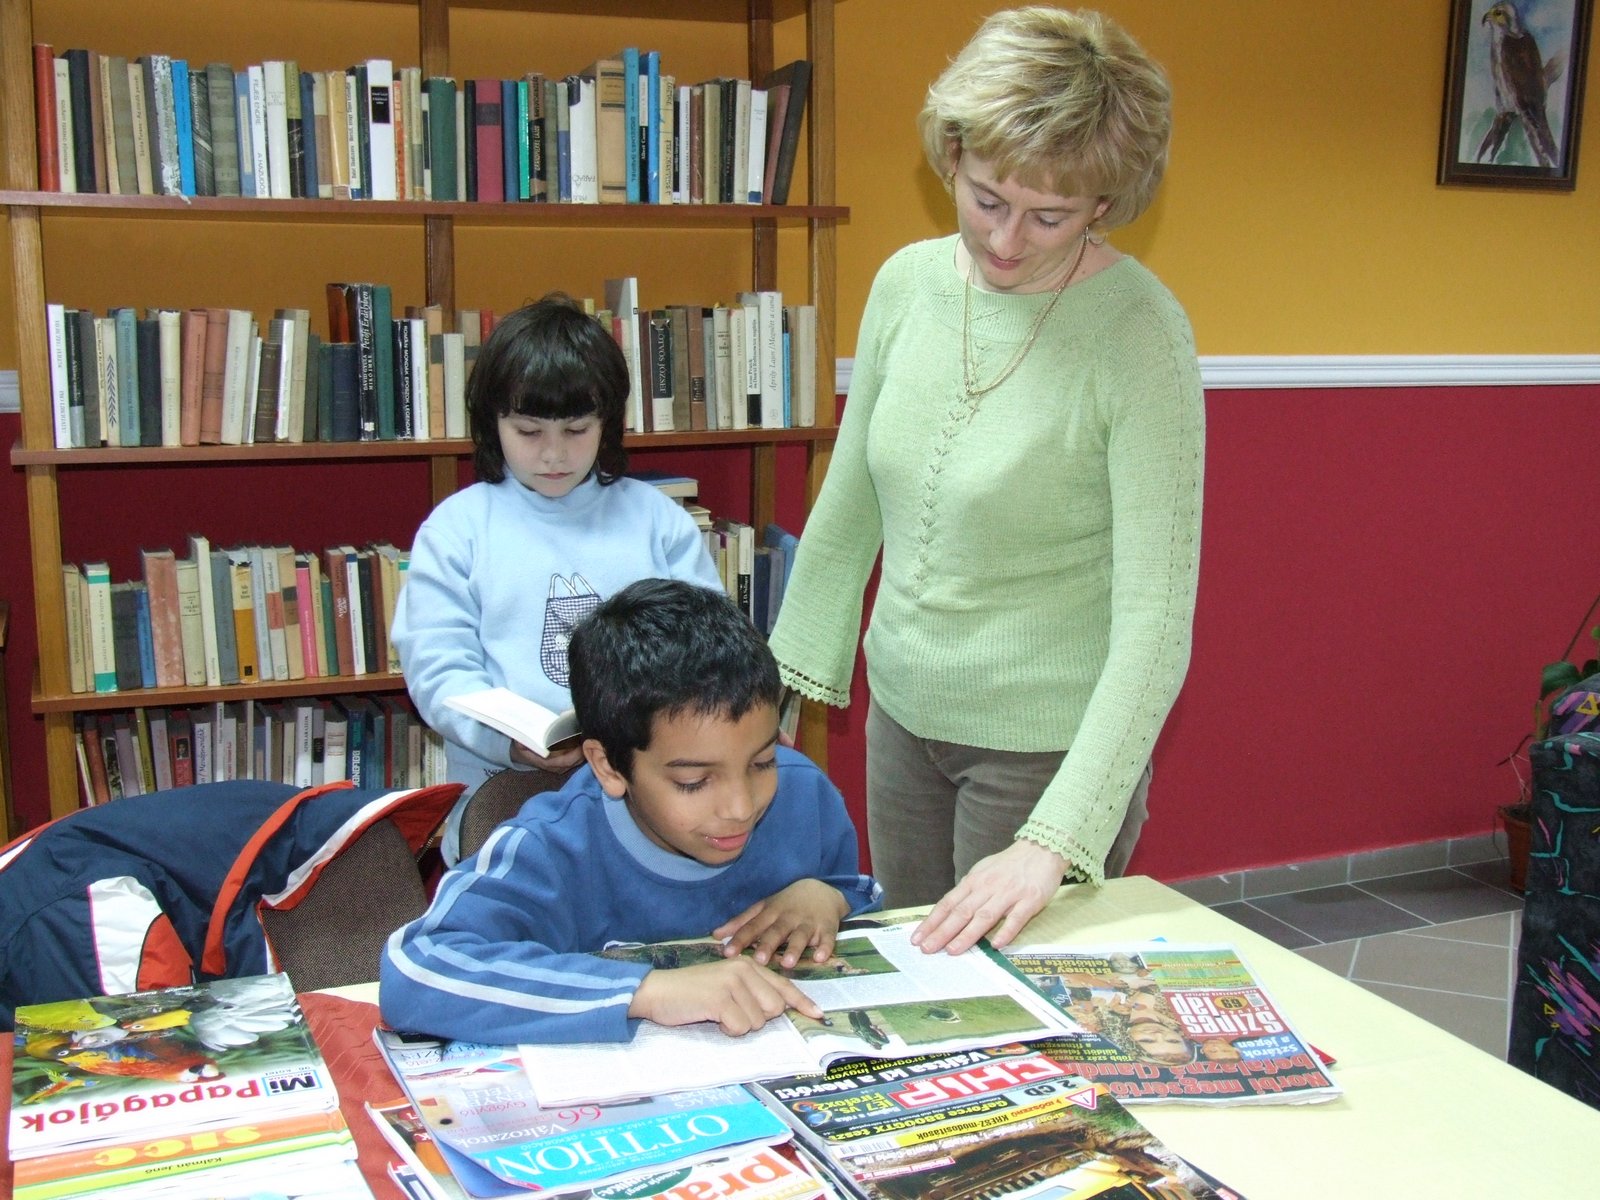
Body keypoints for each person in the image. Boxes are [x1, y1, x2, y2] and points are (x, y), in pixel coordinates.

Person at [766, 6, 1203, 955]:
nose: (1006, 240)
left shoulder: (1140, 334)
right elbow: (850, 504)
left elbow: (1157, 621)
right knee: (919, 985)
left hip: (1046, 750)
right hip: (902, 722)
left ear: (1104, 203)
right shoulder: (906, 285)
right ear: (952, 154)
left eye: (1050, 216)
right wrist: (767, 695)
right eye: (987, 199)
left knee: (1018, 1005)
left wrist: (1056, 840)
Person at [379, 579, 884, 1046]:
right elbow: (416, 969)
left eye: (762, 762)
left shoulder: (804, 795)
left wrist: (830, 897)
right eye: (693, 781)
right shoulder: (552, 848)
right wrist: (647, 992)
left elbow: (863, 905)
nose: (740, 807)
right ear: (607, 766)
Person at [391, 294, 723, 862]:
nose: (553, 454)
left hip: (646, 794)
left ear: (607, 422)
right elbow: (438, 670)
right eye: (528, 431)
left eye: (576, 430)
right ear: (493, 424)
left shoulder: (656, 520)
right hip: (504, 795)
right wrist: (508, 744)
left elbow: (706, 650)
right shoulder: (458, 529)